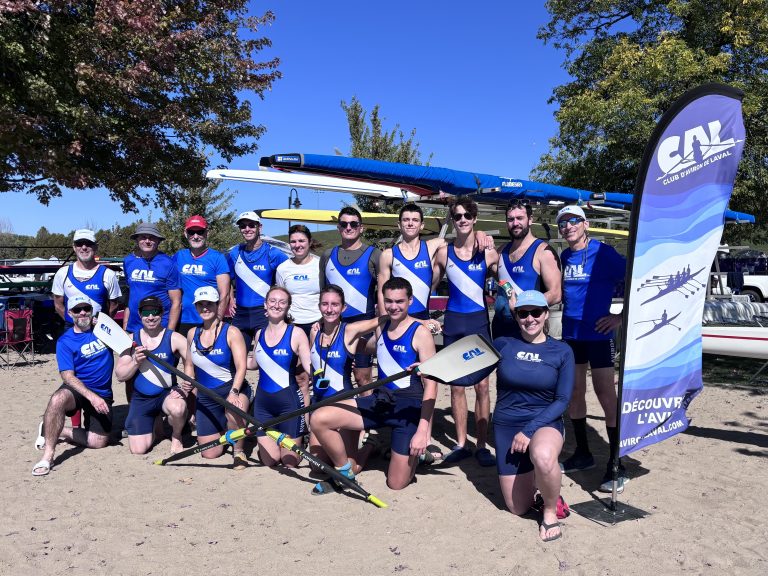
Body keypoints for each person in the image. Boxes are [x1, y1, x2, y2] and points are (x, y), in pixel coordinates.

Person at [310, 277, 437, 492]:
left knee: (396, 484)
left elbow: (432, 386)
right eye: (389, 301)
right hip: (379, 401)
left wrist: (423, 430)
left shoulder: (420, 333)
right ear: (382, 303)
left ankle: (418, 455)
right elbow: (369, 347)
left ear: (410, 301)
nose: (394, 306)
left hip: (407, 407)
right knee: (319, 418)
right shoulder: (381, 326)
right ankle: (345, 471)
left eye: (400, 301)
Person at [556, 205, 628, 493]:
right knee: (575, 393)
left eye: (573, 221)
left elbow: (637, 281)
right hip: (572, 335)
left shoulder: (604, 253)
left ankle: (616, 462)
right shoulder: (565, 255)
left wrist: (620, 318)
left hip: (599, 336)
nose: (568, 226)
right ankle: (583, 454)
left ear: (585, 224)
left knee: (606, 395)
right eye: (563, 223)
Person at [493, 290, 574, 542]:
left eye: (536, 312)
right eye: (523, 313)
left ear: (546, 314)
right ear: (516, 316)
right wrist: (431, 370)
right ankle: (541, 483)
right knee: (518, 507)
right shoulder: (503, 344)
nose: (530, 319)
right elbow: (469, 374)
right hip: (506, 424)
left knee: (543, 454)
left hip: (543, 422)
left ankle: (550, 511)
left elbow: (562, 400)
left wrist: (529, 430)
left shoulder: (562, 351)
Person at [433, 196, 499, 466]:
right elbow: (428, 285)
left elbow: (507, 281)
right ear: (453, 220)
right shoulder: (443, 252)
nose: (462, 220)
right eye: (457, 216)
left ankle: (482, 444)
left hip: (479, 322)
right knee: (457, 386)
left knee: (482, 385)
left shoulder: (488, 251)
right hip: (454, 323)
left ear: (474, 219)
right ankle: (461, 444)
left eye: (466, 216)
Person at [308, 284, 392, 472]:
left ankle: (370, 444)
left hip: (343, 405)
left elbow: (382, 319)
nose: (329, 309)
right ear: (319, 306)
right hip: (319, 404)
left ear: (343, 307)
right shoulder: (314, 330)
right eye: (325, 304)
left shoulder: (349, 331)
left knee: (351, 468)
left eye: (335, 304)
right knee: (317, 467)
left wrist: (423, 323)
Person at [32, 295, 115, 476]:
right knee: (58, 398)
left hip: (102, 392)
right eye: (77, 310)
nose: (82, 312)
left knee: (98, 442)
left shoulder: (104, 331)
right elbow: (67, 376)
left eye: (86, 308)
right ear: (70, 313)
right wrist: (91, 397)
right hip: (78, 389)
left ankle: (53, 429)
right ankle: (48, 455)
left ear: (92, 311)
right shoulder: (65, 341)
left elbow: (125, 341)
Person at [183, 286, 251, 468]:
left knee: (233, 410)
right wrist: (188, 382)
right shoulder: (192, 333)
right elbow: (189, 365)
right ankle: (225, 427)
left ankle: (239, 451)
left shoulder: (231, 332)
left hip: (233, 389)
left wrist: (234, 392)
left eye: (209, 304)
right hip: (207, 396)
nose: (205, 309)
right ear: (196, 307)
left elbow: (241, 366)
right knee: (210, 453)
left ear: (217, 305)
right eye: (201, 305)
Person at [115, 296, 189, 455]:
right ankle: (154, 421)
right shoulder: (130, 340)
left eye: (155, 312)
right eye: (146, 313)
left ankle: (176, 436)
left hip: (166, 394)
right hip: (141, 398)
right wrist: (135, 362)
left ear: (162, 314)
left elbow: (191, 364)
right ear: (140, 315)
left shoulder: (174, 338)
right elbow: (120, 376)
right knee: (138, 450)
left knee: (178, 408)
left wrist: (186, 387)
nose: (151, 317)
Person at [247, 286, 311, 467]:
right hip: (263, 405)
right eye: (272, 301)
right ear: (265, 305)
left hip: (289, 404)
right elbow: (252, 363)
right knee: (270, 461)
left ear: (288, 307)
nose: (277, 305)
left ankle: (301, 438)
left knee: (290, 462)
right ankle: (275, 441)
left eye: (282, 302)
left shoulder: (296, 333)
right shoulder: (259, 334)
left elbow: (309, 366)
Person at [319, 207, 380, 388]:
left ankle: (365, 414)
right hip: (336, 327)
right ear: (338, 228)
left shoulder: (374, 255)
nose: (348, 227)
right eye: (344, 224)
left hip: (363, 326)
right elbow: (323, 294)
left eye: (353, 224)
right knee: (335, 376)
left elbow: (385, 293)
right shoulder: (327, 256)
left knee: (362, 378)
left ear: (361, 228)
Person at [492, 200, 562, 338]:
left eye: (520, 218)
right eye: (511, 219)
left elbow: (556, 294)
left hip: (528, 325)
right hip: (500, 326)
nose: (515, 223)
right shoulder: (501, 251)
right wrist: (479, 235)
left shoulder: (543, 251)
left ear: (530, 220)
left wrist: (523, 307)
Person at [227, 211, 289, 351]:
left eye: (251, 225)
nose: (247, 229)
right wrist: (231, 299)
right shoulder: (234, 253)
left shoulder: (273, 253)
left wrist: (279, 304)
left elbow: (288, 278)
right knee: (236, 359)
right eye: (243, 226)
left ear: (259, 227)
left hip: (263, 313)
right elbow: (227, 279)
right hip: (240, 314)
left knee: (264, 356)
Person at [275, 225, 321, 395]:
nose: (297, 245)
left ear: (309, 242)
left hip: (317, 324)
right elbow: (281, 298)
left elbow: (328, 295)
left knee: (319, 371)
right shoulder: (283, 268)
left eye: (301, 240)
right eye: (293, 241)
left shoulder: (319, 265)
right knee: (300, 375)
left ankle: (324, 414)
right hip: (293, 326)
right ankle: (303, 418)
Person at [52, 228, 122, 327]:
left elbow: (114, 306)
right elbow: (58, 305)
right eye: (79, 244)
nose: (84, 247)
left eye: (88, 243)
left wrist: (102, 326)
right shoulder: (62, 273)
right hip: (72, 331)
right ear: (74, 247)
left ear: (96, 247)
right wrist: (76, 323)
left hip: (98, 332)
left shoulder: (108, 274)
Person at [174, 215, 230, 335]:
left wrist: (218, 320)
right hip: (182, 319)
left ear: (206, 233)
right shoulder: (178, 256)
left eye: (200, 232)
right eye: (191, 232)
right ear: (185, 233)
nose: (195, 236)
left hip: (208, 319)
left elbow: (224, 294)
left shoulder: (218, 258)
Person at [123, 222, 181, 334]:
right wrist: (126, 325)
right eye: (143, 237)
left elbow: (176, 302)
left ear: (158, 241)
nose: (147, 241)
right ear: (137, 240)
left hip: (159, 328)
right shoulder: (128, 261)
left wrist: (169, 333)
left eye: (152, 238)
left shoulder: (168, 263)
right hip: (134, 328)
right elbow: (131, 295)